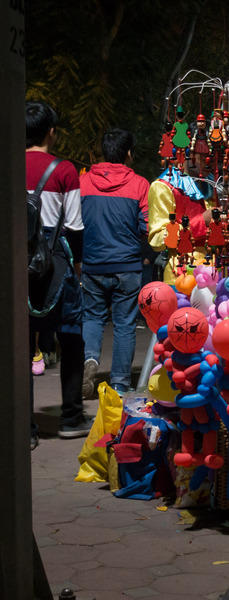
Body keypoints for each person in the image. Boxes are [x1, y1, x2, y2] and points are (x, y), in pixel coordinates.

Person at [26, 100, 90, 446]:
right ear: (51, 131)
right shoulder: (64, 171)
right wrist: (77, 267)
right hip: (56, 266)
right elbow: (76, 227)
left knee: (20, 345)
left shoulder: (8, 164)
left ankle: (25, 428)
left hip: (17, 268)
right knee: (71, 338)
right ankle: (71, 417)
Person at [80, 128, 149, 397]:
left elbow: (74, 222)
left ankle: (90, 360)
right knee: (124, 324)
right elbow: (145, 225)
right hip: (127, 265)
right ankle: (120, 383)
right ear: (128, 153)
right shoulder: (140, 184)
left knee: (92, 317)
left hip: (93, 263)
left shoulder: (84, 182)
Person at [147, 156, 214, 284]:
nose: (210, 161)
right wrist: (200, 222)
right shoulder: (163, 186)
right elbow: (157, 239)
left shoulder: (210, 184)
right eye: (204, 155)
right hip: (181, 277)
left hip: (213, 274)